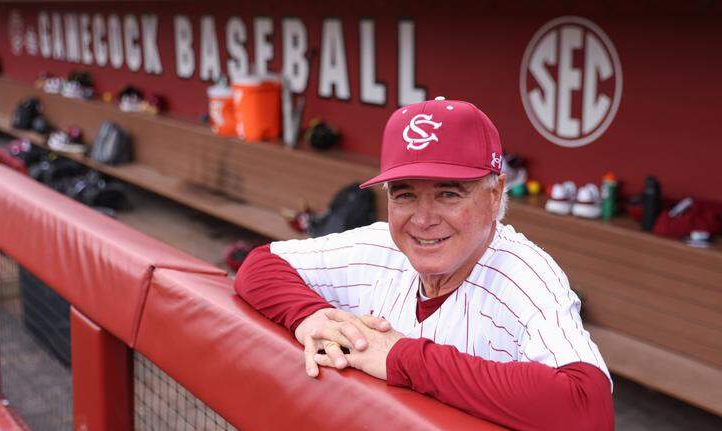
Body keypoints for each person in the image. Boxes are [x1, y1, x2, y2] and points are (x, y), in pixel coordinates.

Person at [234, 98, 614, 430]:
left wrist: (400, 356)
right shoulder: (380, 244)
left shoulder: (525, 275)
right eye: (405, 195)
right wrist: (311, 317)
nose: (423, 219)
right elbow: (259, 265)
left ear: (495, 194)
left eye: (449, 194)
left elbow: (587, 407)